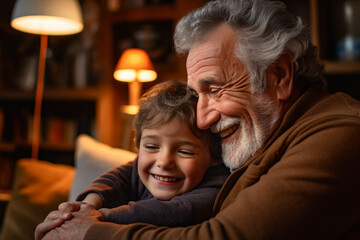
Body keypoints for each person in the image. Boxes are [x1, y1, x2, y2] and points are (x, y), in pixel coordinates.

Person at [36, 0, 360, 239]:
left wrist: (90, 231)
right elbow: (133, 167)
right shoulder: (262, 132)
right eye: (197, 95)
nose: (202, 120)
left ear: (279, 74)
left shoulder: (340, 133)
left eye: (215, 89)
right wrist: (90, 203)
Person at [35, 81, 229, 239]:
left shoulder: (216, 186)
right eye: (151, 147)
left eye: (185, 152)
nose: (163, 162)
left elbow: (176, 211)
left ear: (214, 157)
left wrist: (100, 216)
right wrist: (86, 206)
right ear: (137, 144)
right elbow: (118, 178)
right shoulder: (141, 168)